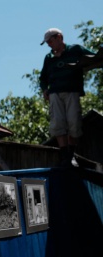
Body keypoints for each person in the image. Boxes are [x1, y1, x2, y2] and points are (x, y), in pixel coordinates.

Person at [39, 28, 96, 167]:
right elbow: (43, 78)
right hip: (55, 94)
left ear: (59, 37)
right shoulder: (49, 57)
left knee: (74, 123)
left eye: (50, 41)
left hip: (72, 91)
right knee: (58, 124)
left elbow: (94, 58)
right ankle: (65, 155)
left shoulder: (75, 50)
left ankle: (71, 154)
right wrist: (45, 89)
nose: (48, 45)